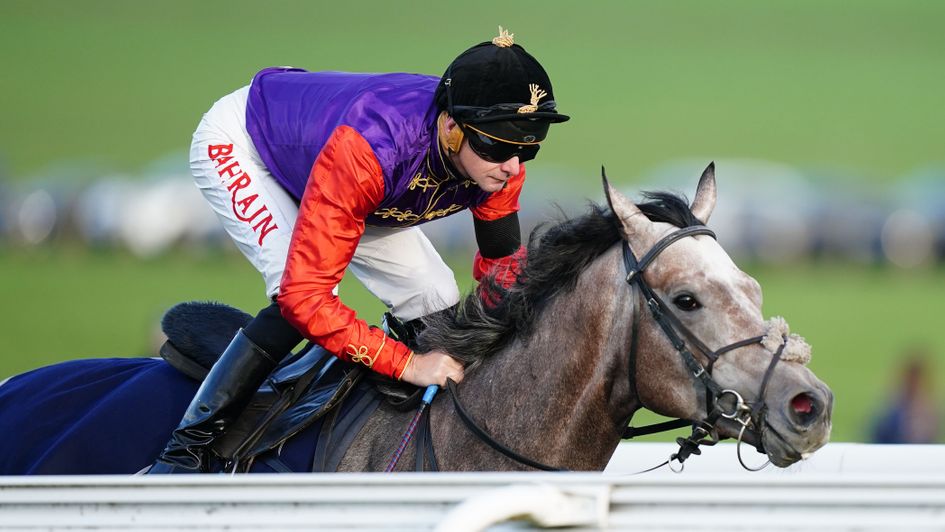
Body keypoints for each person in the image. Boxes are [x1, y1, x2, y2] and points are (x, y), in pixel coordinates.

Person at [148, 27, 569, 473]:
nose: (512, 164)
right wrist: (409, 364)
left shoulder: (503, 166)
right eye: (497, 145)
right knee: (292, 296)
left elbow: (502, 273)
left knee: (436, 297)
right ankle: (185, 450)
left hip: (355, 182)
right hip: (250, 147)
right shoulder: (373, 148)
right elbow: (304, 298)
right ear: (450, 127)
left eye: (529, 145)